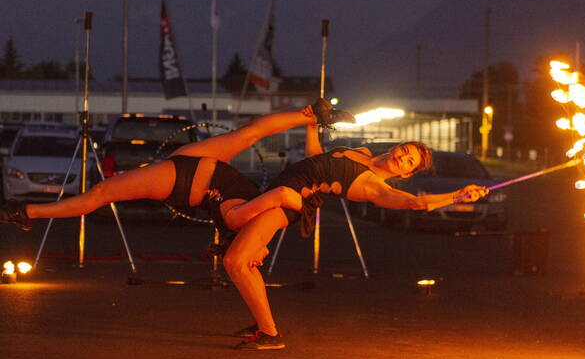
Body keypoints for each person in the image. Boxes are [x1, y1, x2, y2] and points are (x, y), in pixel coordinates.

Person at [224, 138, 488, 350]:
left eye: (408, 161)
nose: (401, 157)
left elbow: (416, 203)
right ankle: (263, 325)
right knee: (243, 261)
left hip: (287, 204)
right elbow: (315, 158)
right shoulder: (360, 151)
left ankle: (270, 334)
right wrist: (312, 123)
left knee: (235, 262)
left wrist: (458, 195)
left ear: (406, 173)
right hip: (277, 193)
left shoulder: (372, 186)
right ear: (396, 146)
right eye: (405, 150)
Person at [0, 100, 355, 237]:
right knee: (247, 134)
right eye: (261, 258)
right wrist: (313, 128)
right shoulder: (259, 222)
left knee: (102, 193)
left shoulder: (240, 229)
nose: (260, 260)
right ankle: (311, 112)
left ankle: (26, 210)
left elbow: (276, 196)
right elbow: (292, 181)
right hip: (200, 167)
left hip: (183, 181)